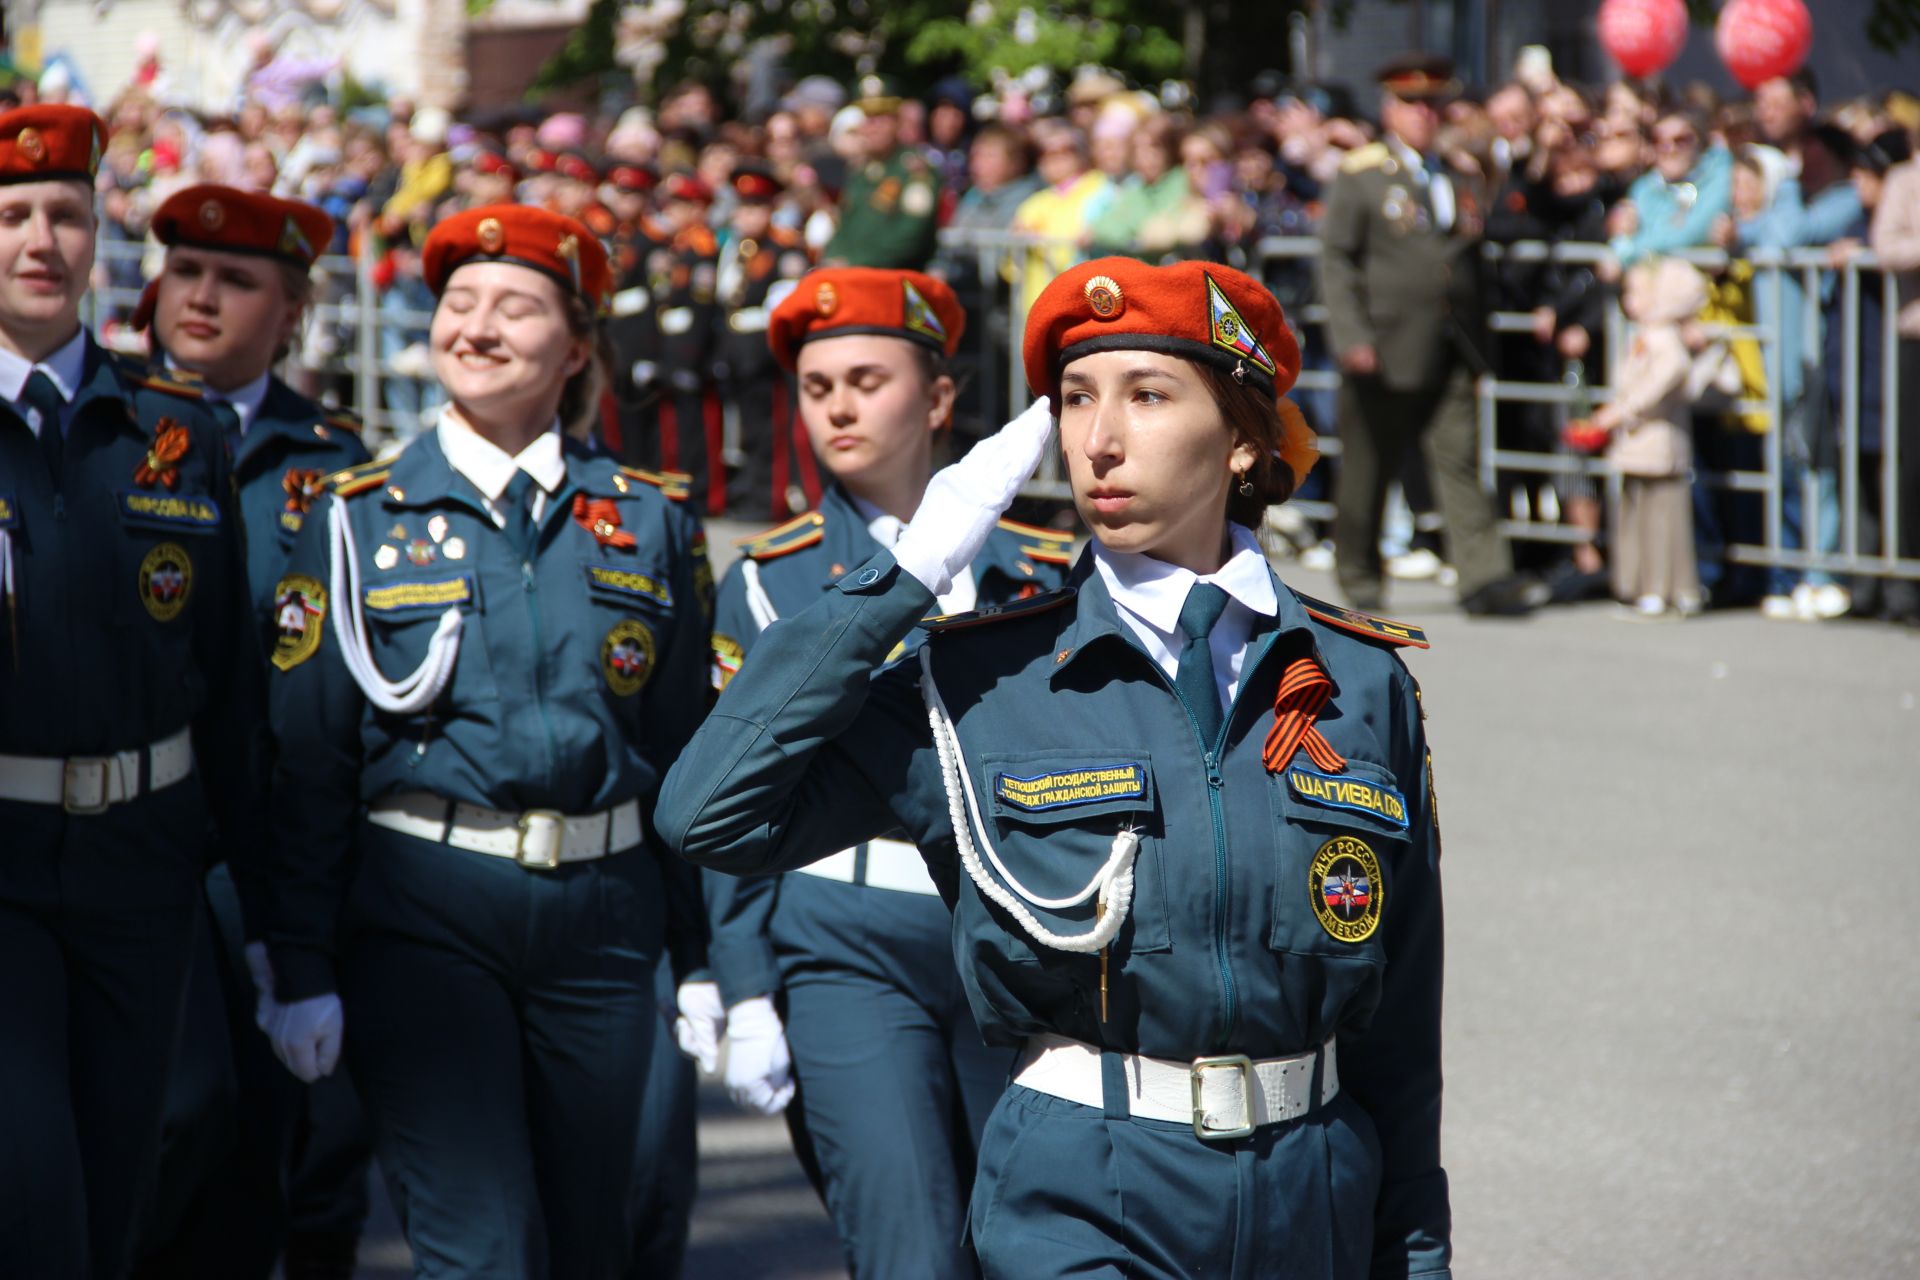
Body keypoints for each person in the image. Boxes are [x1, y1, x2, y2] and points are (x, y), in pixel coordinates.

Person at [659, 256, 1449, 1279]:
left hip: (1314, 1190)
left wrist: (1415, 1254)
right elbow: (708, 812)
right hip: (1083, 1194)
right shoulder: (983, 673)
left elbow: (1400, 1026)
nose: (1099, 438)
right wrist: (902, 579)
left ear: (1246, 435)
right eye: (1076, 399)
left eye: (1148, 395)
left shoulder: (1357, 679)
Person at [260, 204, 713, 1277]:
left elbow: (689, 753)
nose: (477, 325)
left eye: (514, 305)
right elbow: (309, 756)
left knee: (593, 1238)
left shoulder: (648, 519)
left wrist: (704, 959)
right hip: (424, 914)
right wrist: (302, 963)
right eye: (459, 303)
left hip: (604, 928)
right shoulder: (355, 514)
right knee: (484, 1248)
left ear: (578, 349)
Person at [684, 266, 1073, 1279]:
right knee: (905, 1248)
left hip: (1015, 932)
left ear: (940, 398)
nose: (839, 405)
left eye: (867, 377)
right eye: (816, 388)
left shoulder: (1044, 569)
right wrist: (744, 982)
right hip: (842, 937)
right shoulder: (771, 578)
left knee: (1036, 1239)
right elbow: (736, 794)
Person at [0, 103, 269, 1278]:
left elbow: (232, 688)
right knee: (34, 1196)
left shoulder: (174, 433)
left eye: (65, 213)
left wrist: (276, 925)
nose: (40, 239)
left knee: (119, 1193)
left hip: (142, 867)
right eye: (11, 215)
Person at [132, 184, 376, 1279]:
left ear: (292, 313)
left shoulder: (340, 467)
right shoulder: (108, 428)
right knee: (168, 1126)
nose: (203, 296)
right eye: (186, 271)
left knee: (303, 1144)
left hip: (287, 840)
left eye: (238, 281)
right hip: (148, 823)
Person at [1319, 54, 1531, 616]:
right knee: (1369, 467)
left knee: (1460, 458)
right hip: (1384, 345)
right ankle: (1360, 576)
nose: (1424, 114)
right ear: (1391, 109)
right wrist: (1352, 336)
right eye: (1413, 104)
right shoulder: (1362, 174)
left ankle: (1484, 578)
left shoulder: (1456, 173)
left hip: (1451, 342)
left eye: (1433, 103)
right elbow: (1337, 259)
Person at [1566, 258, 1707, 618]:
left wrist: (1618, 413)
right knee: (1635, 515)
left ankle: (1665, 587)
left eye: (1636, 293)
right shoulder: (1643, 335)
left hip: (1658, 438)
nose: (1629, 301)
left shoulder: (1666, 340)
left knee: (1663, 518)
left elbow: (1660, 382)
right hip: (1635, 442)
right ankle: (1638, 582)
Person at [714, 162, 811, 520]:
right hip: (738, 349)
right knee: (750, 430)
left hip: (765, 350)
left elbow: (783, 302)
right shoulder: (738, 248)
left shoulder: (784, 249)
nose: (746, 215)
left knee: (772, 430)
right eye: (742, 207)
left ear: (770, 209)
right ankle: (751, 492)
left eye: (755, 207)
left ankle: (770, 499)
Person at [825, 76, 941, 270]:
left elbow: (909, 237)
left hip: (895, 280)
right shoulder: (862, 173)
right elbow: (844, 229)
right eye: (867, 119)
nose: (872, 127)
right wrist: (833, 257)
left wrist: (854, 261)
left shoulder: (915, 170)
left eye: (881, 118)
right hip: (855, 278)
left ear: (897, 122)